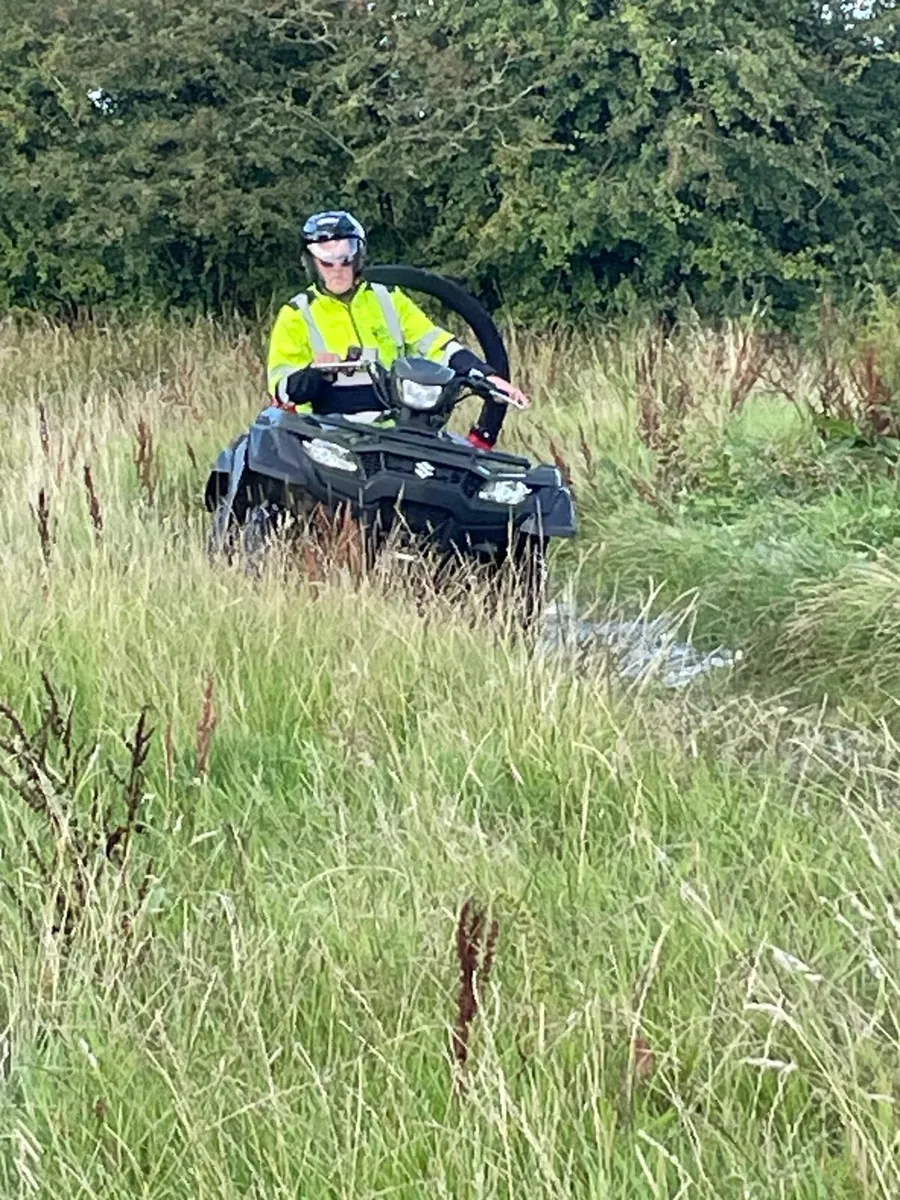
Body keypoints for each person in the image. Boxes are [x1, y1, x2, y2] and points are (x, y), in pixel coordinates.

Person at [266, 210, 529, 450]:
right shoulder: (297, 313)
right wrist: (315, 373)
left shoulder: (389, 298)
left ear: (358, 257)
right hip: (327, 437)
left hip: (400, 430)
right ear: (312, 263)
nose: (337, 269)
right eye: (327, 262)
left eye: (345, 259)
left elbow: (435, 343)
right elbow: (281, 387)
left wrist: (485, 376)